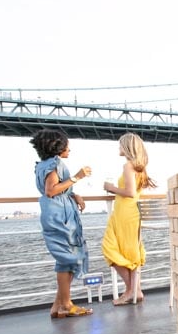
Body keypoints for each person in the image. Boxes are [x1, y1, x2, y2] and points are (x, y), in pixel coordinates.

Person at [30, 129, 93, 318]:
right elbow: (51, 190)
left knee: (65, 258)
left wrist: (73, 194)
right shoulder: (55, 163)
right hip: (61, 217)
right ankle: (66, 304)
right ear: (57, 146)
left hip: (56, 213)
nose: (69, 149)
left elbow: (57, 189)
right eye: (67, 145)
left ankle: (58, 306)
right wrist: (77, 177)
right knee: (69, 258)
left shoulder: (42, 164)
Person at [101, 132, 156, 305]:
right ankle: (134, 291)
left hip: (125, 213)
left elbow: (130, 193)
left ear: (127, 147)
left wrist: (111, 188)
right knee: (129, 251)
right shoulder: (140, 167)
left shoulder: (128, 166)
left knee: (109, 248)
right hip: (128, 213)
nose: (118, 148)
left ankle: (132, 291)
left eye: (120, 145)